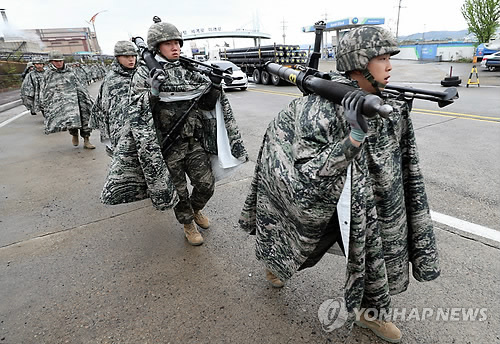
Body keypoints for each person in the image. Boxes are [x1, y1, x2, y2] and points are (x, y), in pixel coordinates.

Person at [239, 26, 440, 343]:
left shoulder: (380, 101)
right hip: (327, 202)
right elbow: (309, 171)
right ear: (360, 63)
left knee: (374, 258)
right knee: (307, 246)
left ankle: (369, 314)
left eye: (390, 58)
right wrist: (353, 138)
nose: (389, 66)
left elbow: (392, 154)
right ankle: (277, 263)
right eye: (382, 58)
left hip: (366, 202)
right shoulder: (317, 109)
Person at [101, 20, 247, 246]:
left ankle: (196, 209)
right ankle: (188, 223)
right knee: (179, 191)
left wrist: (215, 86)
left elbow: (207, 105)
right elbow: (136, 110)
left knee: (206, 184)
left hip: (191, 141)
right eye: (168, 43)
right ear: (156, 47)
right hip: (165, 147)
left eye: (177, 42)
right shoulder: (144, 73)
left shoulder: (189, 70)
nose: (175, 47)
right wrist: (153, 91)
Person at [90, 40, 138, 155]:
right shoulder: (111, 79)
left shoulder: (142, 74)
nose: (131, 59)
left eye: (133, 56)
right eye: (126, 56)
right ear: (117, 58)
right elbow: (104, 108)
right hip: (121, 129)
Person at [41, 50, 95, 149]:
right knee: (71, 121)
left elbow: (79, 84)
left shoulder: (70, 71)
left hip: (78, 99)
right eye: (56, 61)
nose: (59, 63)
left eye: (60, 61)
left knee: (85, 119)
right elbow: (45, 90)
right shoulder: (48, 74)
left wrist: (86, 97)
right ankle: (74, 134)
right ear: (51, 62)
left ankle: (87, 140)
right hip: (64, 102)